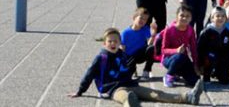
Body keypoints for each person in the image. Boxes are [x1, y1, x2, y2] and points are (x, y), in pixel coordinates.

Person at [68, 27, 203, 105]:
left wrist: (134, 80)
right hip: (113, 89)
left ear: (120, 42)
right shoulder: (101, 58)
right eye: (110, 41)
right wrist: (80, 91)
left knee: (156, 94)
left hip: (130, 84)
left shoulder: (122, 54)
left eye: (116, 41)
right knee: (126, 98)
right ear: (105, 43)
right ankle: (131, 102)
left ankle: (188, 97)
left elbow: (128, 68)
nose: (113, 44)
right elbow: (89, 74)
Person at [161, 5, 201, 88]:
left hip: (183, 59)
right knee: (179, 56)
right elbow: (163, 50)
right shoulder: (169, 30)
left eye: (187, 16)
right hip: (169, 59)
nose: (184, 18)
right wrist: (176, 50)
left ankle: (176, 73)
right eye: (182, 15)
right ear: (176, 17)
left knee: (195, 81)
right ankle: (168, 76)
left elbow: (193, 48)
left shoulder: (190, 30)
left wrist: (195, 65)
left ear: (191, 18)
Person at [197, 7, 229, 85]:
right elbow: (200, 48)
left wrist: (228, 61)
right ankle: (207, 75)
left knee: (225, 79)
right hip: (209, 55)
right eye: (217, 16)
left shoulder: (227, 33)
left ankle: (217, 73)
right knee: (211, 58)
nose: (220, 18)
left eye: (223, 16)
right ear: (212, 18)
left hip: (221, 56)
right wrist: (199, 63)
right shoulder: (206, 31)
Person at [120, 8, 156, 79]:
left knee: (152, 48)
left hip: (140, 54)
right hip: (130, 56)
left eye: (145, 19)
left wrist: (153, 34)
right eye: (141, 18)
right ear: (134, 18)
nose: (143, 21)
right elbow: (122, 48)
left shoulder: (145, 29)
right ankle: (133, 69)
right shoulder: (125, 32)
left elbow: (149, 44)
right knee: (127, 76)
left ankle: (146, 70)